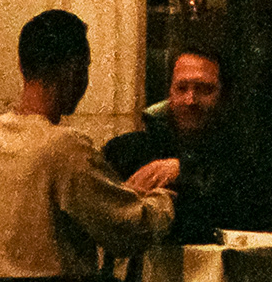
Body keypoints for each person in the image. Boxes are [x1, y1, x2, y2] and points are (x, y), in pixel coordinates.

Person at [0, 8, 170, 281]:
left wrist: (113, 192)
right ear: (73, 69)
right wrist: (163, 199)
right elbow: (129, 231)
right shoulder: (64, 146)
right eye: (86, 67)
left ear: (22, 65)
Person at [100, 39, 263, 243]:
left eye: (204, 89)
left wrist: (184, 171)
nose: (190, 100)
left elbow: (247, 213)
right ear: (169, 91)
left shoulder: (244, 155)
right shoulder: (128, 150)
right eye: (182, 88)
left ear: (223, 95)